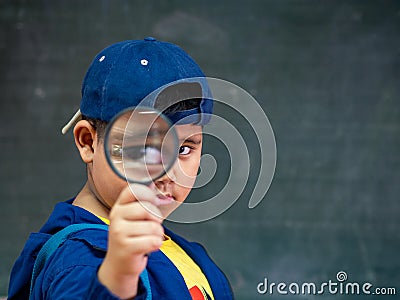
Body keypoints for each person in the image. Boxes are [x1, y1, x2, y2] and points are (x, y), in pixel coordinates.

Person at [8, 37, 233, 299]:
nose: (169, 172)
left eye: (184, 149)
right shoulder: (81, 261)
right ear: (88, 142)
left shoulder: (184, 252)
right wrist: (118, 279)